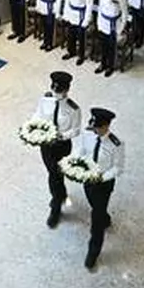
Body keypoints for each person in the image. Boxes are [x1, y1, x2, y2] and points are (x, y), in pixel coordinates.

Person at [76, 107, 125, 270]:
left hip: (103, 185)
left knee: (96, 216)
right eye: (93, 125)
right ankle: (105, 218)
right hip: (87, 180)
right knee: (96, 208)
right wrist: (77, 163)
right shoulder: (88, 135)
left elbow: (118, 168)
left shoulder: (116, 145)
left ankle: (94, 249)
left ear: (106, 126)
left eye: (97, 127)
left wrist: (100, 178)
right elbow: (82, 152)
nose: (94, 129)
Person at [36, 71, 82, 227]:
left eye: (59, 91)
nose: (56, 94)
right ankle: (59, 196)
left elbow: (76, 130)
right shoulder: (46, 100)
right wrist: (33, 127)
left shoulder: (73, 109)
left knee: (55, 175)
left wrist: (60, 136)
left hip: (62, 147)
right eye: (54, 90)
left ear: (66, 90)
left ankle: (56, 205)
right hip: (46, 144)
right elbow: (38, 115)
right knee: (53, 173)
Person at [95, 0, 128, 77]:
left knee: (111, 48)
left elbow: (125, 15)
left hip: (114, 26)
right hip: (104, 24)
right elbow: (100, 9)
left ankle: (110, 66)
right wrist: (99, 23)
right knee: (103, 46)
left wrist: (120, 29)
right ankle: (103, 63)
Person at [61, 0, 93, 65]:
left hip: (81, 14)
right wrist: (66, 14)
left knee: (81, 37)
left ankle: (81, 55)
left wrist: (86, 19)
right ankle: (71, 51)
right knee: (71, 35)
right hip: (71, 13)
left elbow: (89, 4)